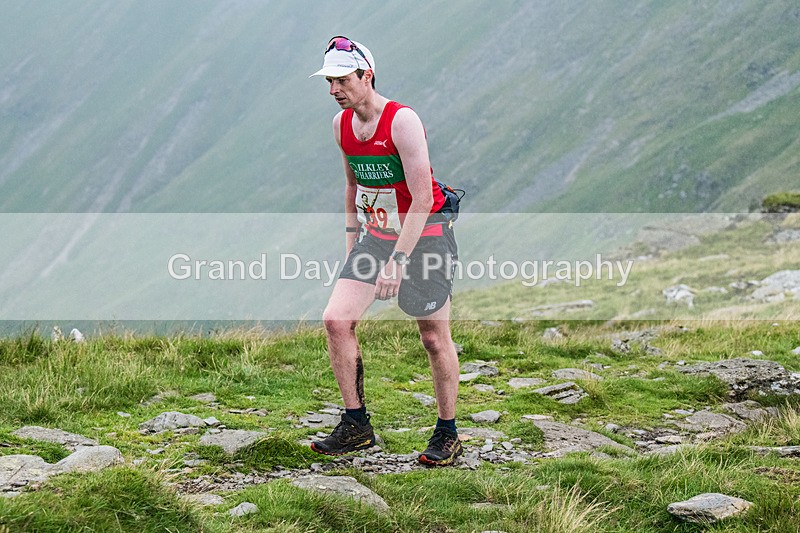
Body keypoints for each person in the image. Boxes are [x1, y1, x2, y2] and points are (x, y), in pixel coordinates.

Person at [309, 36, 462, 466]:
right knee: (337, 321)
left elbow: (422, 197)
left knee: (433, 337)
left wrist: (397, 262)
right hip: (374, 236)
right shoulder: (341, 126)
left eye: (342, 80)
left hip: (425, 232)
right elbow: (352, 188)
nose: (334, 89)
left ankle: (448, 433)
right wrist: (350, 246)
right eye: (329, 81)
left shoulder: (402, 121)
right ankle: (356, 424)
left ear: (366, 75)